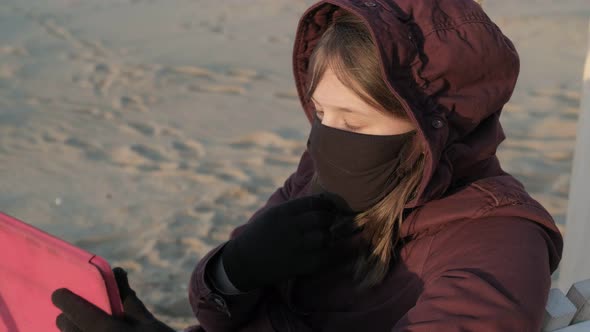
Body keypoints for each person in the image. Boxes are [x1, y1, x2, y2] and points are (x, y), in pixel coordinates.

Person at [51, 0, 564, 331]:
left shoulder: (500, 241)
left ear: (435, 131)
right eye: (321, 113)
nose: (327, 139)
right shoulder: (320, 178)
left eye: (356, 124)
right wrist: (235, 270)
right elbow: (213, 310)